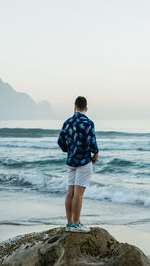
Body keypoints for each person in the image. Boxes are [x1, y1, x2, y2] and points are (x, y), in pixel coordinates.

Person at [58, 96, 99, 233]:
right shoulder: (88, 123)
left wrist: (68, 150)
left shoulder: (67, 122)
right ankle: (76, 224)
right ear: (86, 109)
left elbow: (60, 141)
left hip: (71, 161)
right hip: (83, 161)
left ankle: (69, 223)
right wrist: (96, 154)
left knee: (70, 192)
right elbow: (92, 142)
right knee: (78, 194)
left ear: (74, 107)